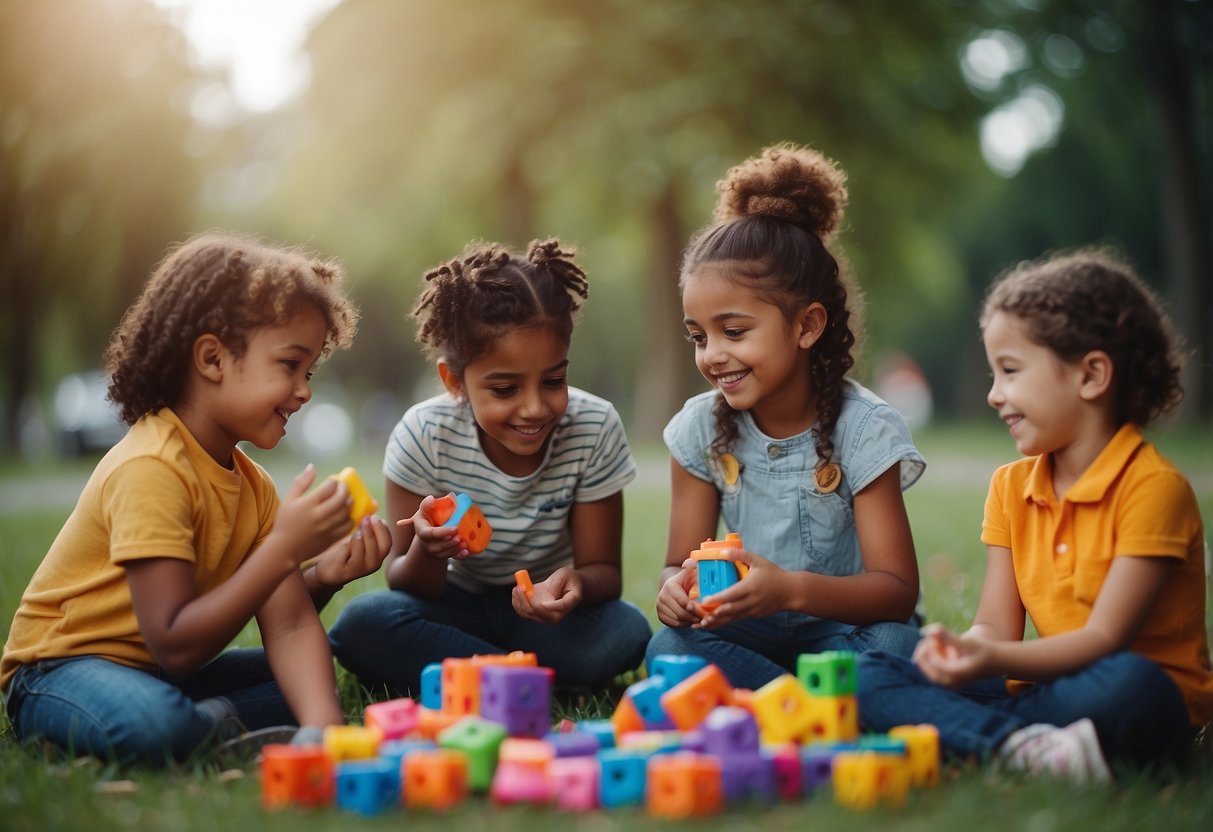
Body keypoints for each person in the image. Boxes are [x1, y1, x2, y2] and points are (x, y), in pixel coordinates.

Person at [1, 231, 393, 765]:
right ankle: (194, 724)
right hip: (61, 669)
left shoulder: (254, 487)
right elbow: (176, 639)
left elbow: (293, 623)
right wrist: (283, 548)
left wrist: (323, 729)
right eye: (289, 366)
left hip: (157, 674)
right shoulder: (152, 467)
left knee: (307, 681)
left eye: (309, 372)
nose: (305, 391)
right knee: (155, 724)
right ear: (212, 358)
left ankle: (206, 723)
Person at [857, 248, 1212, 783]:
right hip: (1043, 693)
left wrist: (990, 661)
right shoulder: (1010, 487)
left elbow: (1103, 642)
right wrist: (964, 651)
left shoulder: (1154, 489)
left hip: (1129, 695)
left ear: (1091, 375)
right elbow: (997, 627)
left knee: (1133, 683)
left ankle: (977, 738)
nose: (994, 395)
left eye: (1011, 371)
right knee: (870, 673)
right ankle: (1023, 748)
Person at [647, 144, 926, 690]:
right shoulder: (700, 430)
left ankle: (775, 694)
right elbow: (679, 560)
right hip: (743, 631)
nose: (711, 356)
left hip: (844, 632)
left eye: (734, 331)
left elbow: (895, 591)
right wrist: (672, 591)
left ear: (807, 326)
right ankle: (807, 698)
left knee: (895, 646)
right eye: (698, 337)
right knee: (668, 648)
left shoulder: (864, 429)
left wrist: (790, 591)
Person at [329, 239, 652, 696]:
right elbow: (405, 578)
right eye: (505, 389)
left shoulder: (593, 426)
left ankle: (477, 673)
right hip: (453, 604)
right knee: (362, 624)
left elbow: (604, 572)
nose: (535, 407)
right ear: (454, 382)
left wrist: (574, 583)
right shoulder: (423, 434)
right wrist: (429, 549)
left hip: (543, 617)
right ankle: (524, 677)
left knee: (626, 631)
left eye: (554, 380)